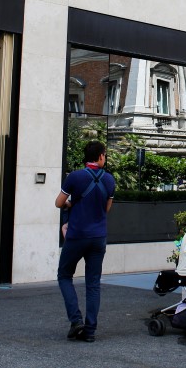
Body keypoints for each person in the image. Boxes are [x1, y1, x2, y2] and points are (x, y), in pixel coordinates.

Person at [55, 140, 115, 343]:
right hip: (98, 238)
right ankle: (90, 331)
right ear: (99, 157)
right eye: (104, 155)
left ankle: (76, 321)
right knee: (93, 284)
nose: (105, 158)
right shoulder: (109, 180)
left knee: (64, 275)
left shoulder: (75, 177)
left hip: (77, 236)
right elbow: (106, 209)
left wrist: (72, 202)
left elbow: (59, 203)